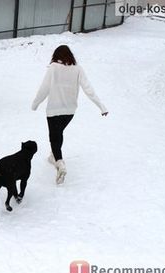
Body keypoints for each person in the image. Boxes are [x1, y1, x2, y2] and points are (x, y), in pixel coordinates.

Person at [31, 45, 108, 185]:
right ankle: (54, 156)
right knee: (58, 134)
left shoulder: (53, 68)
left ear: (56, 55)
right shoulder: (77, 69)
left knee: (54, 137)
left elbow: (44, 88)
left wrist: (35, 104)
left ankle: (60, 163)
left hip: (54, 110)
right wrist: (101, 107)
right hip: (70, 111)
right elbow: (88, 88)